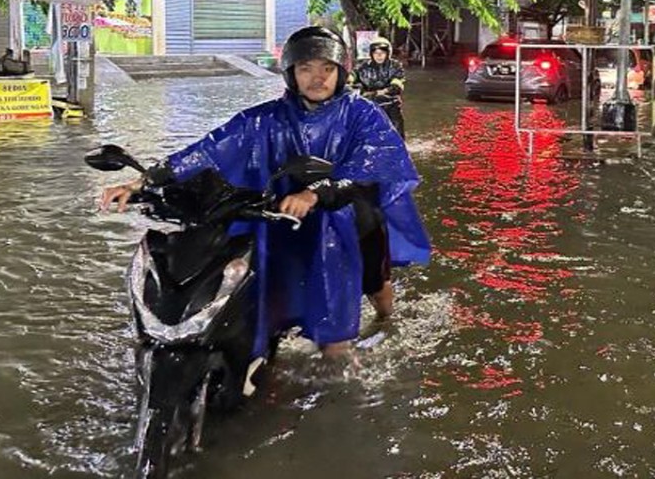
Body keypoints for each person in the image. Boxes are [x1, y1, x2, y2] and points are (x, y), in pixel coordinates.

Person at [99, 27, 430, 359]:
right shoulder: (264, 119)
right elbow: (210, 149)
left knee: (367, 295)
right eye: (306, 69)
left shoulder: (363, 114)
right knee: (267, 296)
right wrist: (145, 180)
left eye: (326, 68)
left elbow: (371, 165)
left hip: (348, 220)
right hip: (281, 220)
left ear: (341, 72)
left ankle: (384, 325)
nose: (317, 78)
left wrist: (316, 193)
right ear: (291, 74)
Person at [352, 36, 407, 138]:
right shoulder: (362, 67)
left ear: (388, 53)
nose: (379, 56)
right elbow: (352, 79)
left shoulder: (395, 66)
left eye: (382, 53)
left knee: (397, 135)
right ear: (371, 54)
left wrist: (377, 93)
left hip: (391, 105)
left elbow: (396, 87)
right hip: (369, 106)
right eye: (376, 53)